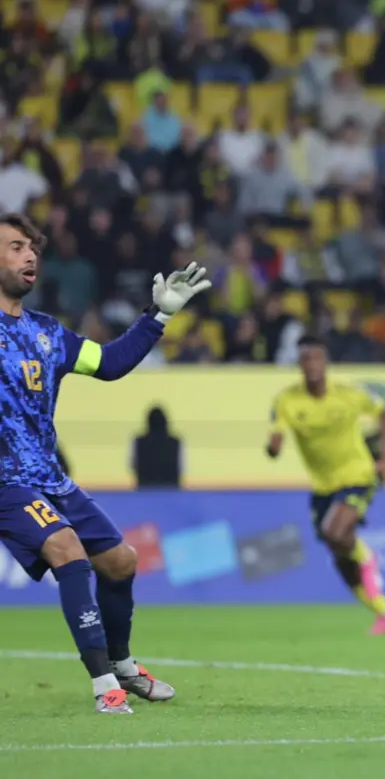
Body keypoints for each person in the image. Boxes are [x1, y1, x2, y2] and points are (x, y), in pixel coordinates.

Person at [0, 212, 210, 714]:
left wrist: (158, 316)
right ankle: (103, 688)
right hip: (5, 481)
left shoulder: (48, 333)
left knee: (121, 560)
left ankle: (122, 665)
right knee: (66, 547)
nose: (30, 255)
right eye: (14, 247)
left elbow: (112, 364)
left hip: (49, 477)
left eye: (33, 247)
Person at [266, 336, 385, 636]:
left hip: (358, 475)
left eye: (317, 357)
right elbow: (275, 438)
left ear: (325, 362)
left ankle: (368, 556)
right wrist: (273, 447)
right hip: (323, 487)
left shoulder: (348, 393)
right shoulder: (288, 400)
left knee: (335, 532)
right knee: (338, 553)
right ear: (300, 364)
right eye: (306, 358)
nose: (312, 364)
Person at [131, 406, 182, 489]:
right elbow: (181, 468)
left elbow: (133, 466)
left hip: (145, 493)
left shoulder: (139, 442)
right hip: (170, 494)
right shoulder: (175, 443)